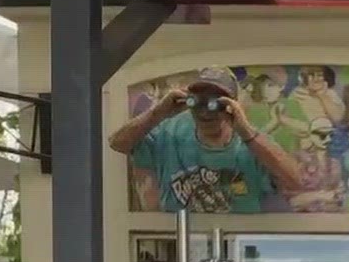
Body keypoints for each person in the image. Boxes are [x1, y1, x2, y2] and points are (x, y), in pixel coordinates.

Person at [111, 68, 305, 214]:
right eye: (198, 102)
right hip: (179, 241)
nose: (205, 111)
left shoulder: (254, 143)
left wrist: (246, 132)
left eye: (216, 104)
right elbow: (117, 144)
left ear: (232, 106)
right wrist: (158, 112)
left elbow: (295, 181)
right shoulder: (169, 132)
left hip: (236, 242)